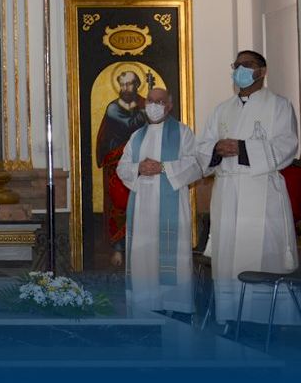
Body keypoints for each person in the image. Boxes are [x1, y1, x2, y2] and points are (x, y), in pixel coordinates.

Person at [198, 50, 299, 327]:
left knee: (262, 256)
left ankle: (267, 322)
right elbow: (202, 147)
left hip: (262, 190)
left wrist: (242, 148)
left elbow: (287, 145)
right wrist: (216, 149)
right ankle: (230, 319)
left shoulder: (279, 105)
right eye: (237, 65)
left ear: (262, 71)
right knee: (228, 259)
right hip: (227, 191)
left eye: (248, 64)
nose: (240, 69)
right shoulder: (221, 109)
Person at [117, 87, 201, 316]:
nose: (154, 105)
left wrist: (163, 167)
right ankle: (145, 309)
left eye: (160, 101)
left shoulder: (182, 133)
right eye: (150, 101)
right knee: (143, 258)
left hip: (172, 208)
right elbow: (122, 167)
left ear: (169, 106)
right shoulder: (136, 136)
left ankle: (176, 309)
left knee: (173, 259)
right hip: (142, 208)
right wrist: (139, 168)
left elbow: (195, 164)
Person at [97, 69, 147, 265]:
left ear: (137, 85)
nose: (126, 88)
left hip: (140, 164)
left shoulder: (143, 104)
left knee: (141, 205)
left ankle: (139, 248)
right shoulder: (113, 108)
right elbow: (129, 125)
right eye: (123, 84)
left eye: (130, 84)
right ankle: (118, 248)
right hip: (117, 165)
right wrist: (146, 111)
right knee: (119, 205)